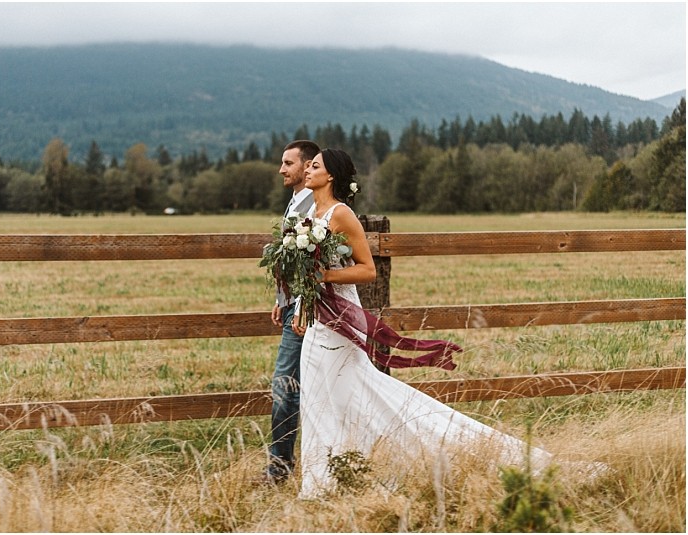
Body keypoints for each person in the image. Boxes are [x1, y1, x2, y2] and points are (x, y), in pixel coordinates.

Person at [293, 148, 606, 499]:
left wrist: (327, 275)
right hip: (318, 317)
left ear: (331, 175)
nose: (307, 169)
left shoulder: (341, 214)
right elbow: (307, 274)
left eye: (315, 165)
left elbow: (366, 270)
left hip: (342, 318)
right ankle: (328, 479)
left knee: (345, 392)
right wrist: (301, 307)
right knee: (321, 394)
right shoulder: (310, 214)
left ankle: (338, 478)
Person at [260, 140, 320, 485]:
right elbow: (295, 261)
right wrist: (281, 298)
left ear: (308, 165)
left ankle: (279, 468)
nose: (282, 169)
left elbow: (314, 261)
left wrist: (299, 306)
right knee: (294, 385)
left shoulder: (314, 203)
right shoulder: (297, 199)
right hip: (292, 306)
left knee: (285, 387)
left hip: (304, 312)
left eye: (288, 163)